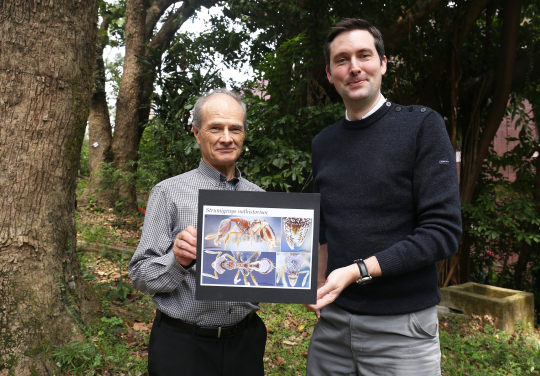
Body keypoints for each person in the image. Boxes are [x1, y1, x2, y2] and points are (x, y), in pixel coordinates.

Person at [305, 19, 463, 375]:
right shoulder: (323, 143)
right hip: (332, 328)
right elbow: (325, 230)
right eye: (342, 60)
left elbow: (443, 233)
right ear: (330, 74)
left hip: (402, 332)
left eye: (364, 55)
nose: (355, 67)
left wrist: (358, 270)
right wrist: (314, 285)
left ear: (383, 63)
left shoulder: (422, 125)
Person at [129, 89, 267, 376]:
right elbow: (140, 275)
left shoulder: (261, 200)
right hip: (183, 346)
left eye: (235, 129)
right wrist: (176, 260)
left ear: (243, 134)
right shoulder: (168, 193)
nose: (226, 137)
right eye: (215, 128)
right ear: (196, 132)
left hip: (245, 342)